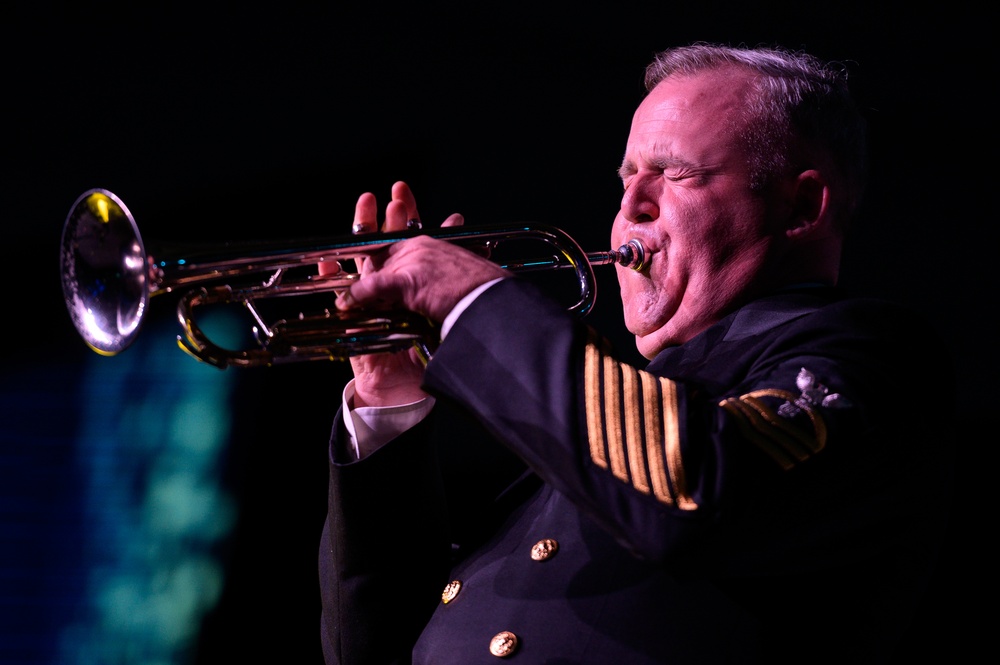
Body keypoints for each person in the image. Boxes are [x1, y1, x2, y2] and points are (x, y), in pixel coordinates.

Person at [316, 42, 954, 664]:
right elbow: (367, 646)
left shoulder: (875, 356)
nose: (628, 208)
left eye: (677, 173)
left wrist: (478, 301)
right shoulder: (588, 435)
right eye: (625, 179)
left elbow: (697, 490)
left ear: (801, 207)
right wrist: (387, 397)